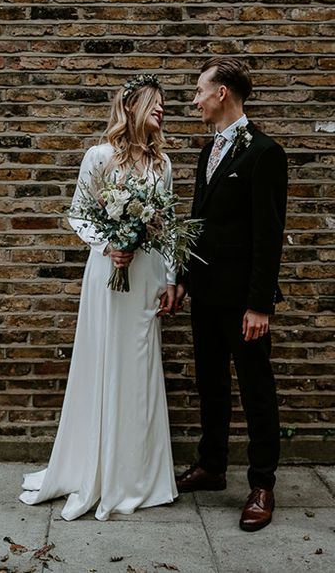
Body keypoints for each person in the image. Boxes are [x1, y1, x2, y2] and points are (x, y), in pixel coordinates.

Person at [19, 74, 178, 521]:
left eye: (164, 104)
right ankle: (93, 468)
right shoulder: (99, 156)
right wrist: (109, 245)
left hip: (144, 276)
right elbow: (78, 212)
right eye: (155, 103)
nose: (162, 111)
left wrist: (169, 279)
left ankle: (136, 474)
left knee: (138, 367)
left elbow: (166, 229)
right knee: (102, 360)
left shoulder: (162, 164)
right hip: (107, 271)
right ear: (131, 108)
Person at [174, 57, 287, 532]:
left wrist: (259, 304)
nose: (194, 99)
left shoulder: (264, 153)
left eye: (200, 90)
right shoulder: (207, 152)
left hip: (244, 301)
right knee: (211, 384)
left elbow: (268, 233)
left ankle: (262, 484)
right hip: (206, 293)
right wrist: (182, 277)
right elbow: (198, 222)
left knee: (256, 389)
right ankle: (212, 465)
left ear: (222, 92)